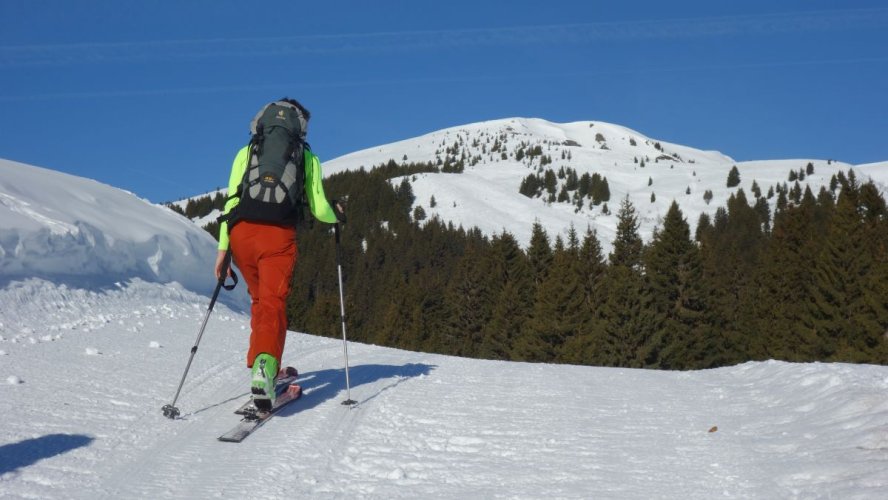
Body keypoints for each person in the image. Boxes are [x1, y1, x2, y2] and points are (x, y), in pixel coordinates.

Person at [215, 98, 338, 410]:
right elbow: (320, 208)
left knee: (260, 301)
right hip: (277, 237)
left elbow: (231, 203)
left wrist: (222, 251)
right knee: (273, 303)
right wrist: (338, 216)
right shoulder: (305, 156)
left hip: (242, 235)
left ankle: (261, 364)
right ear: (300, 126)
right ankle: (265, 368)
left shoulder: (248, 151)